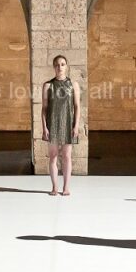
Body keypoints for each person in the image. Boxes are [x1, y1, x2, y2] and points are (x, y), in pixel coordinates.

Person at [41, 55, 80, 196]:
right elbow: (44, 109)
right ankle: (54, 187)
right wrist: (44, 127)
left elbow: (77, 106)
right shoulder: (48, 85)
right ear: (54, 67)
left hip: (68, 123)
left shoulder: (73, 85)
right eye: (57, 65)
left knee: (67, 156)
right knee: (53, 156)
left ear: (66, 66)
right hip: (52, 123)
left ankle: (66, 188)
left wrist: (76, 126)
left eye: (63, 64)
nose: (60, 67)